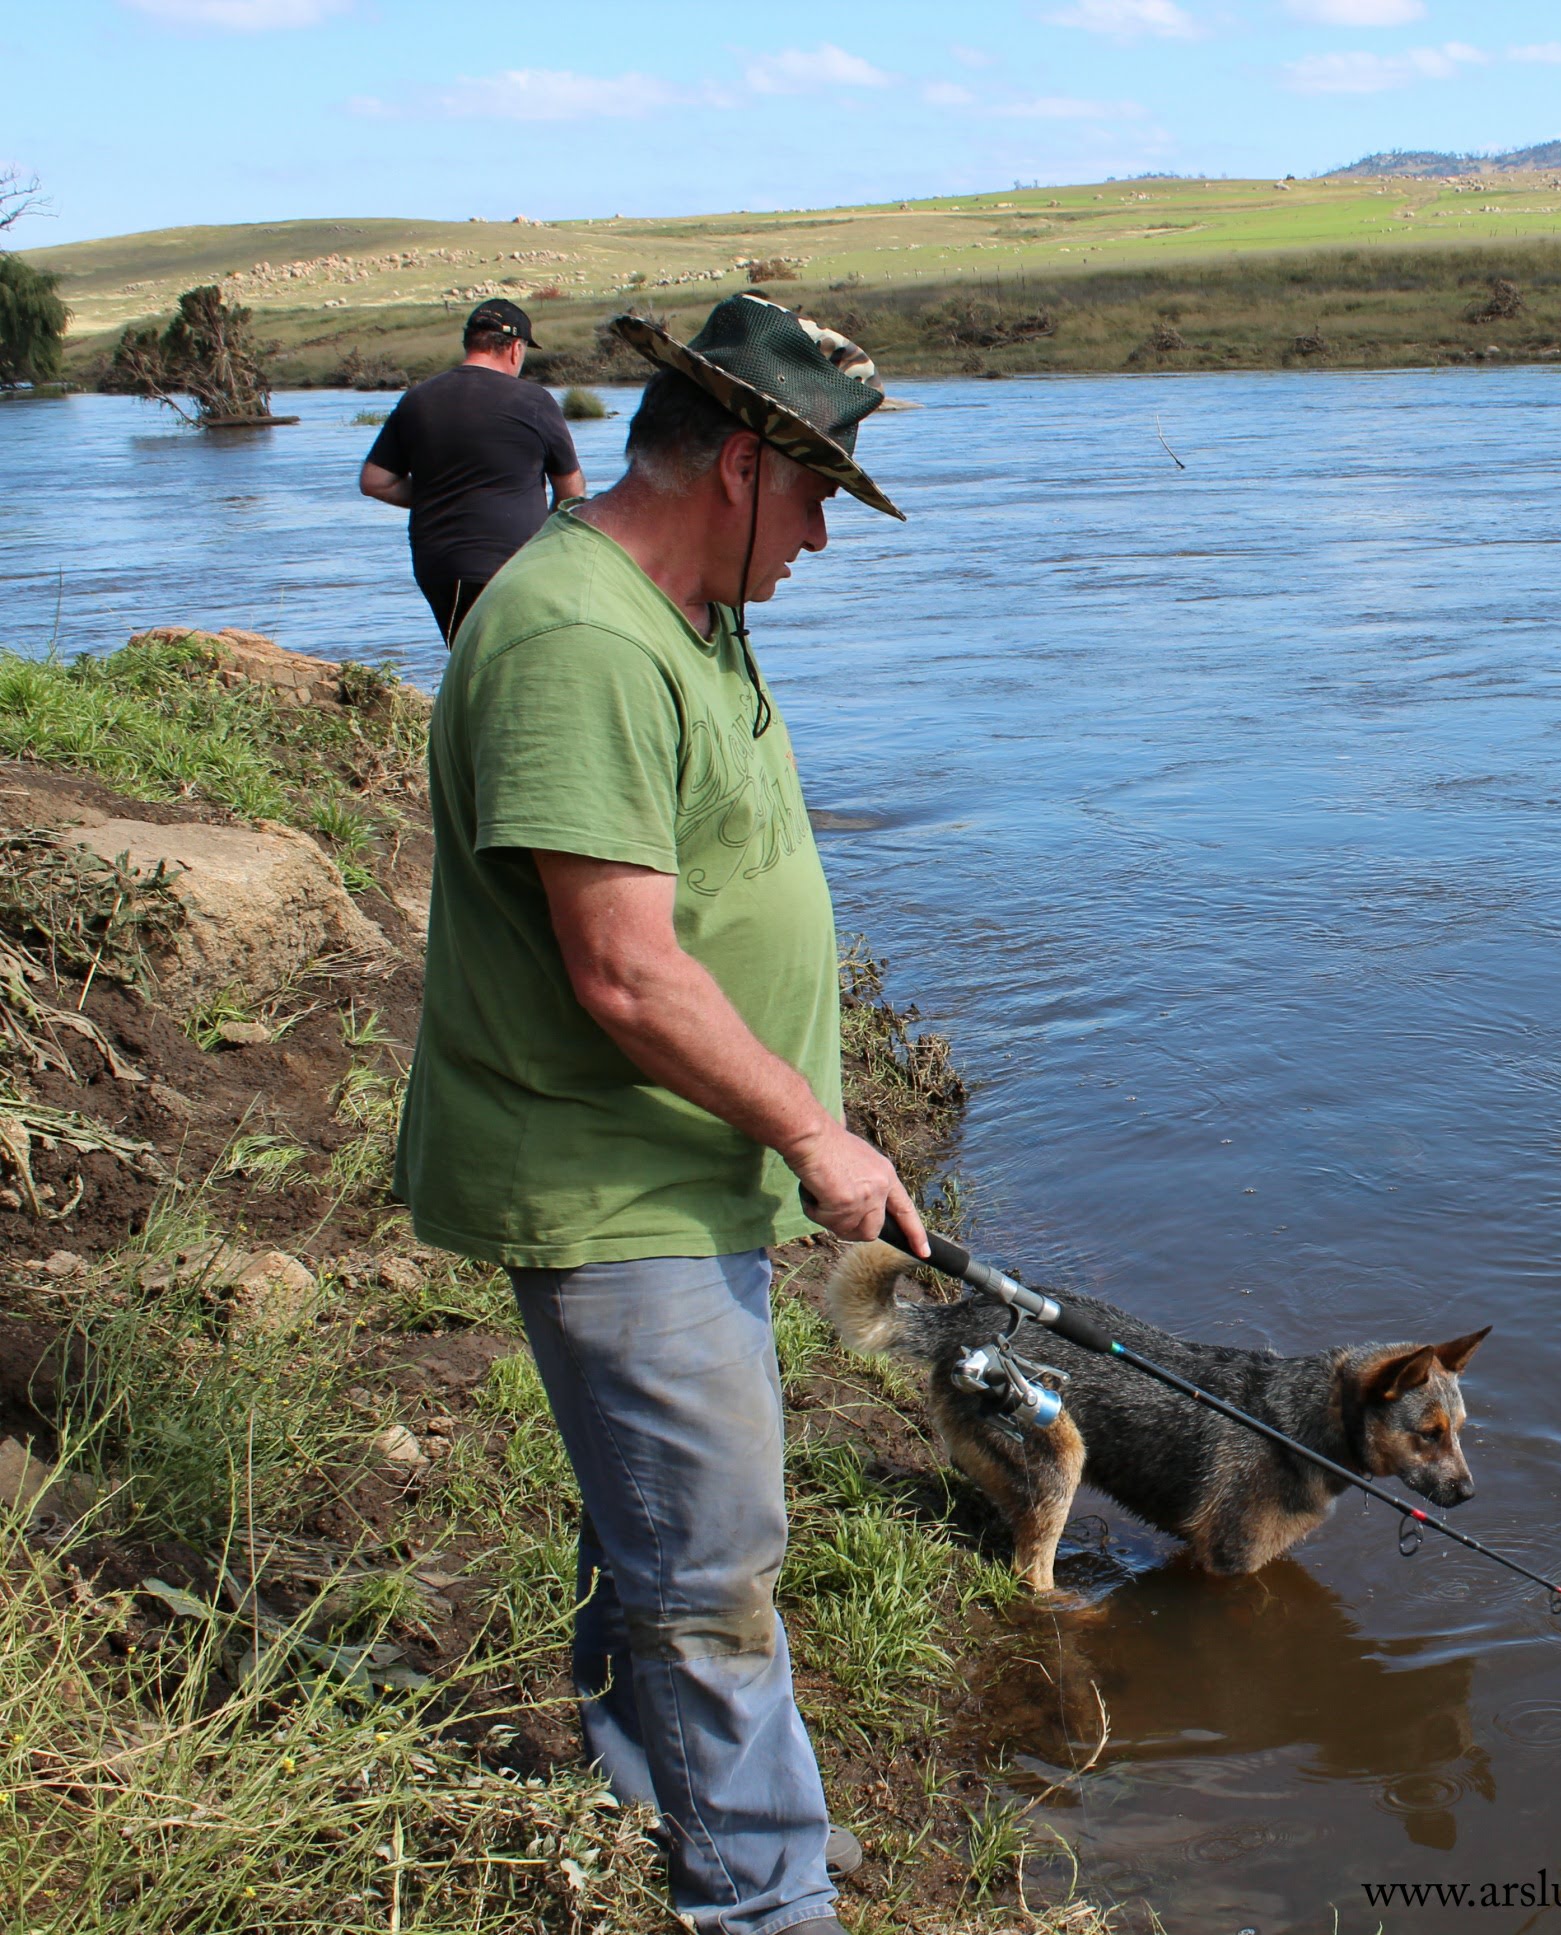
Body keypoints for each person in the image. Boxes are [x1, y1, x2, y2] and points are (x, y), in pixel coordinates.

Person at [398, 293, 917, 1935]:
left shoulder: (686, 611)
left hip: (689, 1173)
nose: (822, 537)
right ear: (742, 461)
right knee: (711, 1575)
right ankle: (762, 1903)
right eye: (820, 489)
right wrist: (815, 1134)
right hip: (613, 1185)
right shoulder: (576, 640)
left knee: (666, 1532)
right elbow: (622, 974)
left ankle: (643, 1808)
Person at [359, 298, 587, 641]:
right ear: (514, 348)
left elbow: (375, 481)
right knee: (514, 662)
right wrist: (553, 543)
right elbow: (571, 491)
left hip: (439, 566)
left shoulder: (418, 399)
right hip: (515, 563)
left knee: (465, 658)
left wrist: (437, 494)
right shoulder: (534, 401)